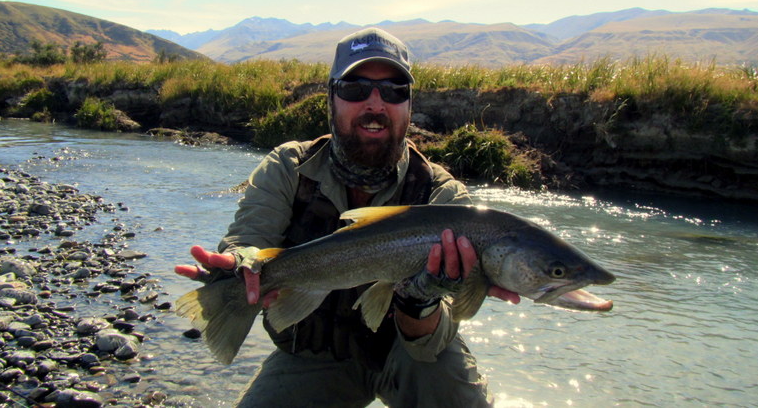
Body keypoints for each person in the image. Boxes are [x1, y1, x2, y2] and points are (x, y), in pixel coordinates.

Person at [175, 27, 520, 407]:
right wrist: (240, 267)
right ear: (332, 97)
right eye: (356, 89)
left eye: (394, 91)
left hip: (415, 358)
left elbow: (434, 341)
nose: (375, 104)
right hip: (315, 355)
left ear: (409, 105)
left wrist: (419, 299)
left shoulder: (445, 198)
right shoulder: (290, 167)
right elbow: (248, 239)